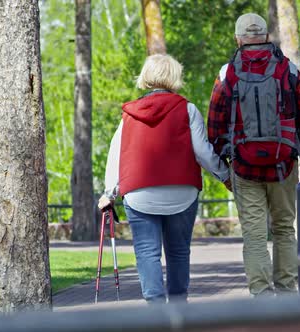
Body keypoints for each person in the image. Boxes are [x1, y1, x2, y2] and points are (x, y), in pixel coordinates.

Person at [207, 13, 300, 296]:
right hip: (283, 165)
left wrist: (227, 163)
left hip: (244, 168)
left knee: (255, 233)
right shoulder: (289, 70)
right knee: (285, 229)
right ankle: (286, 294)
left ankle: (261, 297)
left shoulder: (227, 74)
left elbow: (214, 127)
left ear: (238, 39)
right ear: (266, 36)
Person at [98, 54, 231, 304]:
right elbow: (202, 151)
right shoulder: (187, 108)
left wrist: (109, 193)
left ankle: (156, 311)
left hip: (139, 194)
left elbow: (116, 154)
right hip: (182, 191)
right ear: (174, 77)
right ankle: (179, 308)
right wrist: (226, 176)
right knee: (179, 252)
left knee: (147, 253)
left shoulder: (129, 114)